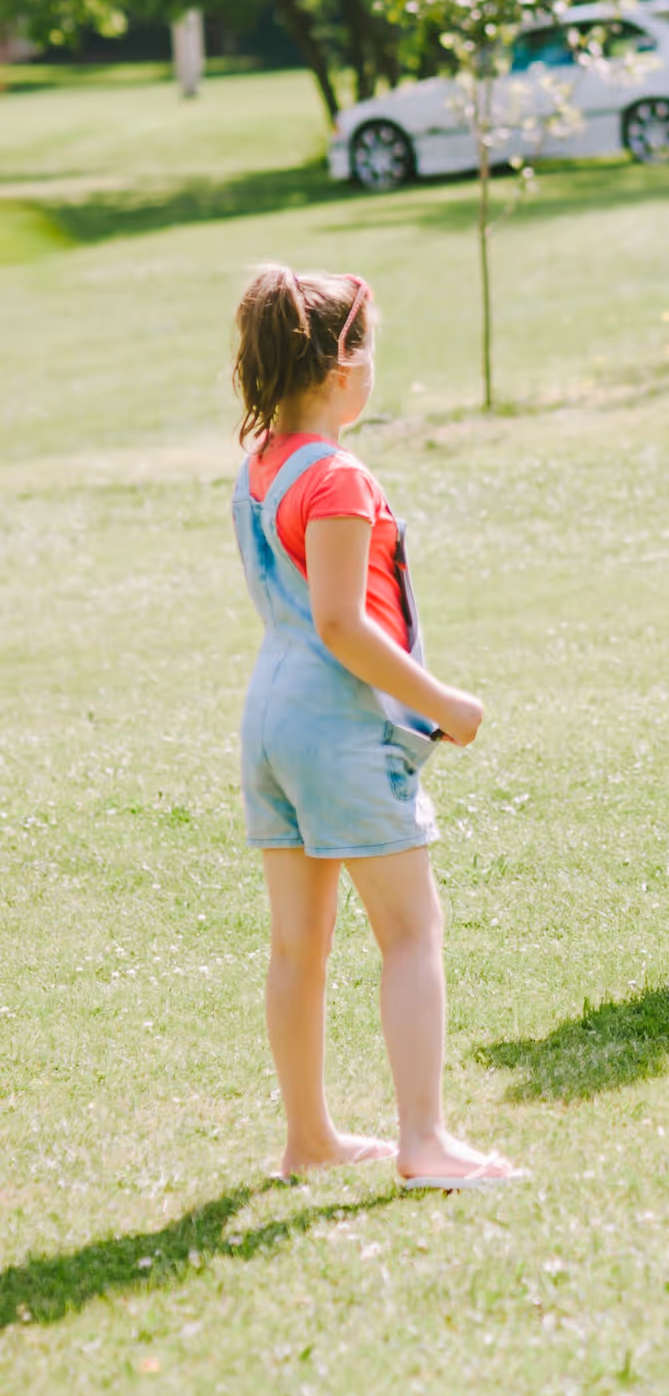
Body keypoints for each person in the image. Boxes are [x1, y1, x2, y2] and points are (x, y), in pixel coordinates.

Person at [231, 267, 515, 1190]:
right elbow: (343, 623)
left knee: (295, 945)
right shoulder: (341, 479)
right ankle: (424, 1141)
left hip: (269, 717)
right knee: (410, 930)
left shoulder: (261, 465)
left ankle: (307, 1137)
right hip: (335, 721)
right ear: (343, 367)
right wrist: (445, 703)